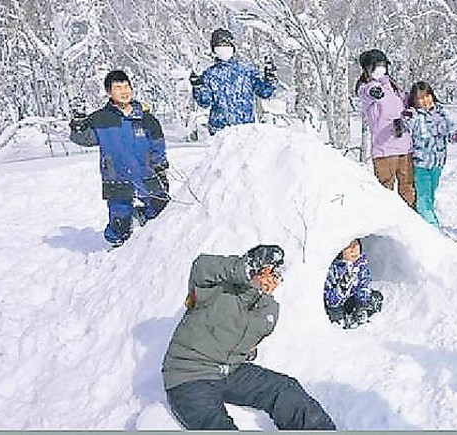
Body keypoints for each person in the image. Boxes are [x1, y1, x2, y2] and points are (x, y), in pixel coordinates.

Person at [162, 245, 336, 430]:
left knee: (285, 389)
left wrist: (263, 294)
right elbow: (201, 266)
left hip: (230, 372)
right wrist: (246, 269)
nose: (271, 279)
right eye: (267, 271)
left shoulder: (267, 308)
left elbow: (249, 338)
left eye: (275, 275)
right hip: (189, 376)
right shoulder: (217, 288)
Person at [69, 70, 170, 247]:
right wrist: (78, 123)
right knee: (119, 220)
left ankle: (143, 223)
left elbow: (157, 144)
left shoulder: (146, 118)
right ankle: (118, 248)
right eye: (118, 87)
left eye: (126, 86)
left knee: (162, 211)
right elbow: (84, 139)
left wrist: (160, 168)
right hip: (117, 176)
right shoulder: (100, 118)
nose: (124, 91)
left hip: (145, 173)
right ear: (109, 92)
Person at [356, 49, 415, 208]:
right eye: (375, 66)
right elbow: (366, 93)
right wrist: (373, 91)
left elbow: (405, 104)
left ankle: (412, 225)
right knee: (385, 191)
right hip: (384, 150)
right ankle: (387, 227)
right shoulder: (367, 87)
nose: (380, 69)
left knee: (408, 189)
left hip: (404, 146)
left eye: (382, 65)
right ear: (367, 69)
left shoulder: (393, 86)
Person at [189, 28, 276, 135]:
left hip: (245, 132)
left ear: (233, 47)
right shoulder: (209, 75)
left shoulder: (247, 71)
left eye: (227, 44)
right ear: (214, 49)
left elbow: (265, 92)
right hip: (220, 134)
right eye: (219, 45)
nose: (223, 48)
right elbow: (204, 102)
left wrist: (270, 77)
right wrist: (197, 85)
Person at [405, 81, 457, 227]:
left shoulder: (441, 113)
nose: (425, 101)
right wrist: (406, 119)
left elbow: (451, 128)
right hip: (420, 164)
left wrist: (455, 134)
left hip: (437, 163)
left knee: (430, 195)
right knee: (423, 198)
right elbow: (407, 128)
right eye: (420, 98)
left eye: (427, 96)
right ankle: (432, 228)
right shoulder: (415, 115)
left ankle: (421, 223)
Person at [324, 239, 383, 329]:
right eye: (348, 246)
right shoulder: (333, 269)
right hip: (336, 303)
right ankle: (343, 322)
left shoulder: (360, 264)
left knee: (375, 297)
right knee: (335, 314)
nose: (354, 248)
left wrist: (362, 303)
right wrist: (342, 288)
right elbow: (330, 301)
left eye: (356, 243)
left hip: (350, 298)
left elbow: (364, 283)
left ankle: (358, 315)